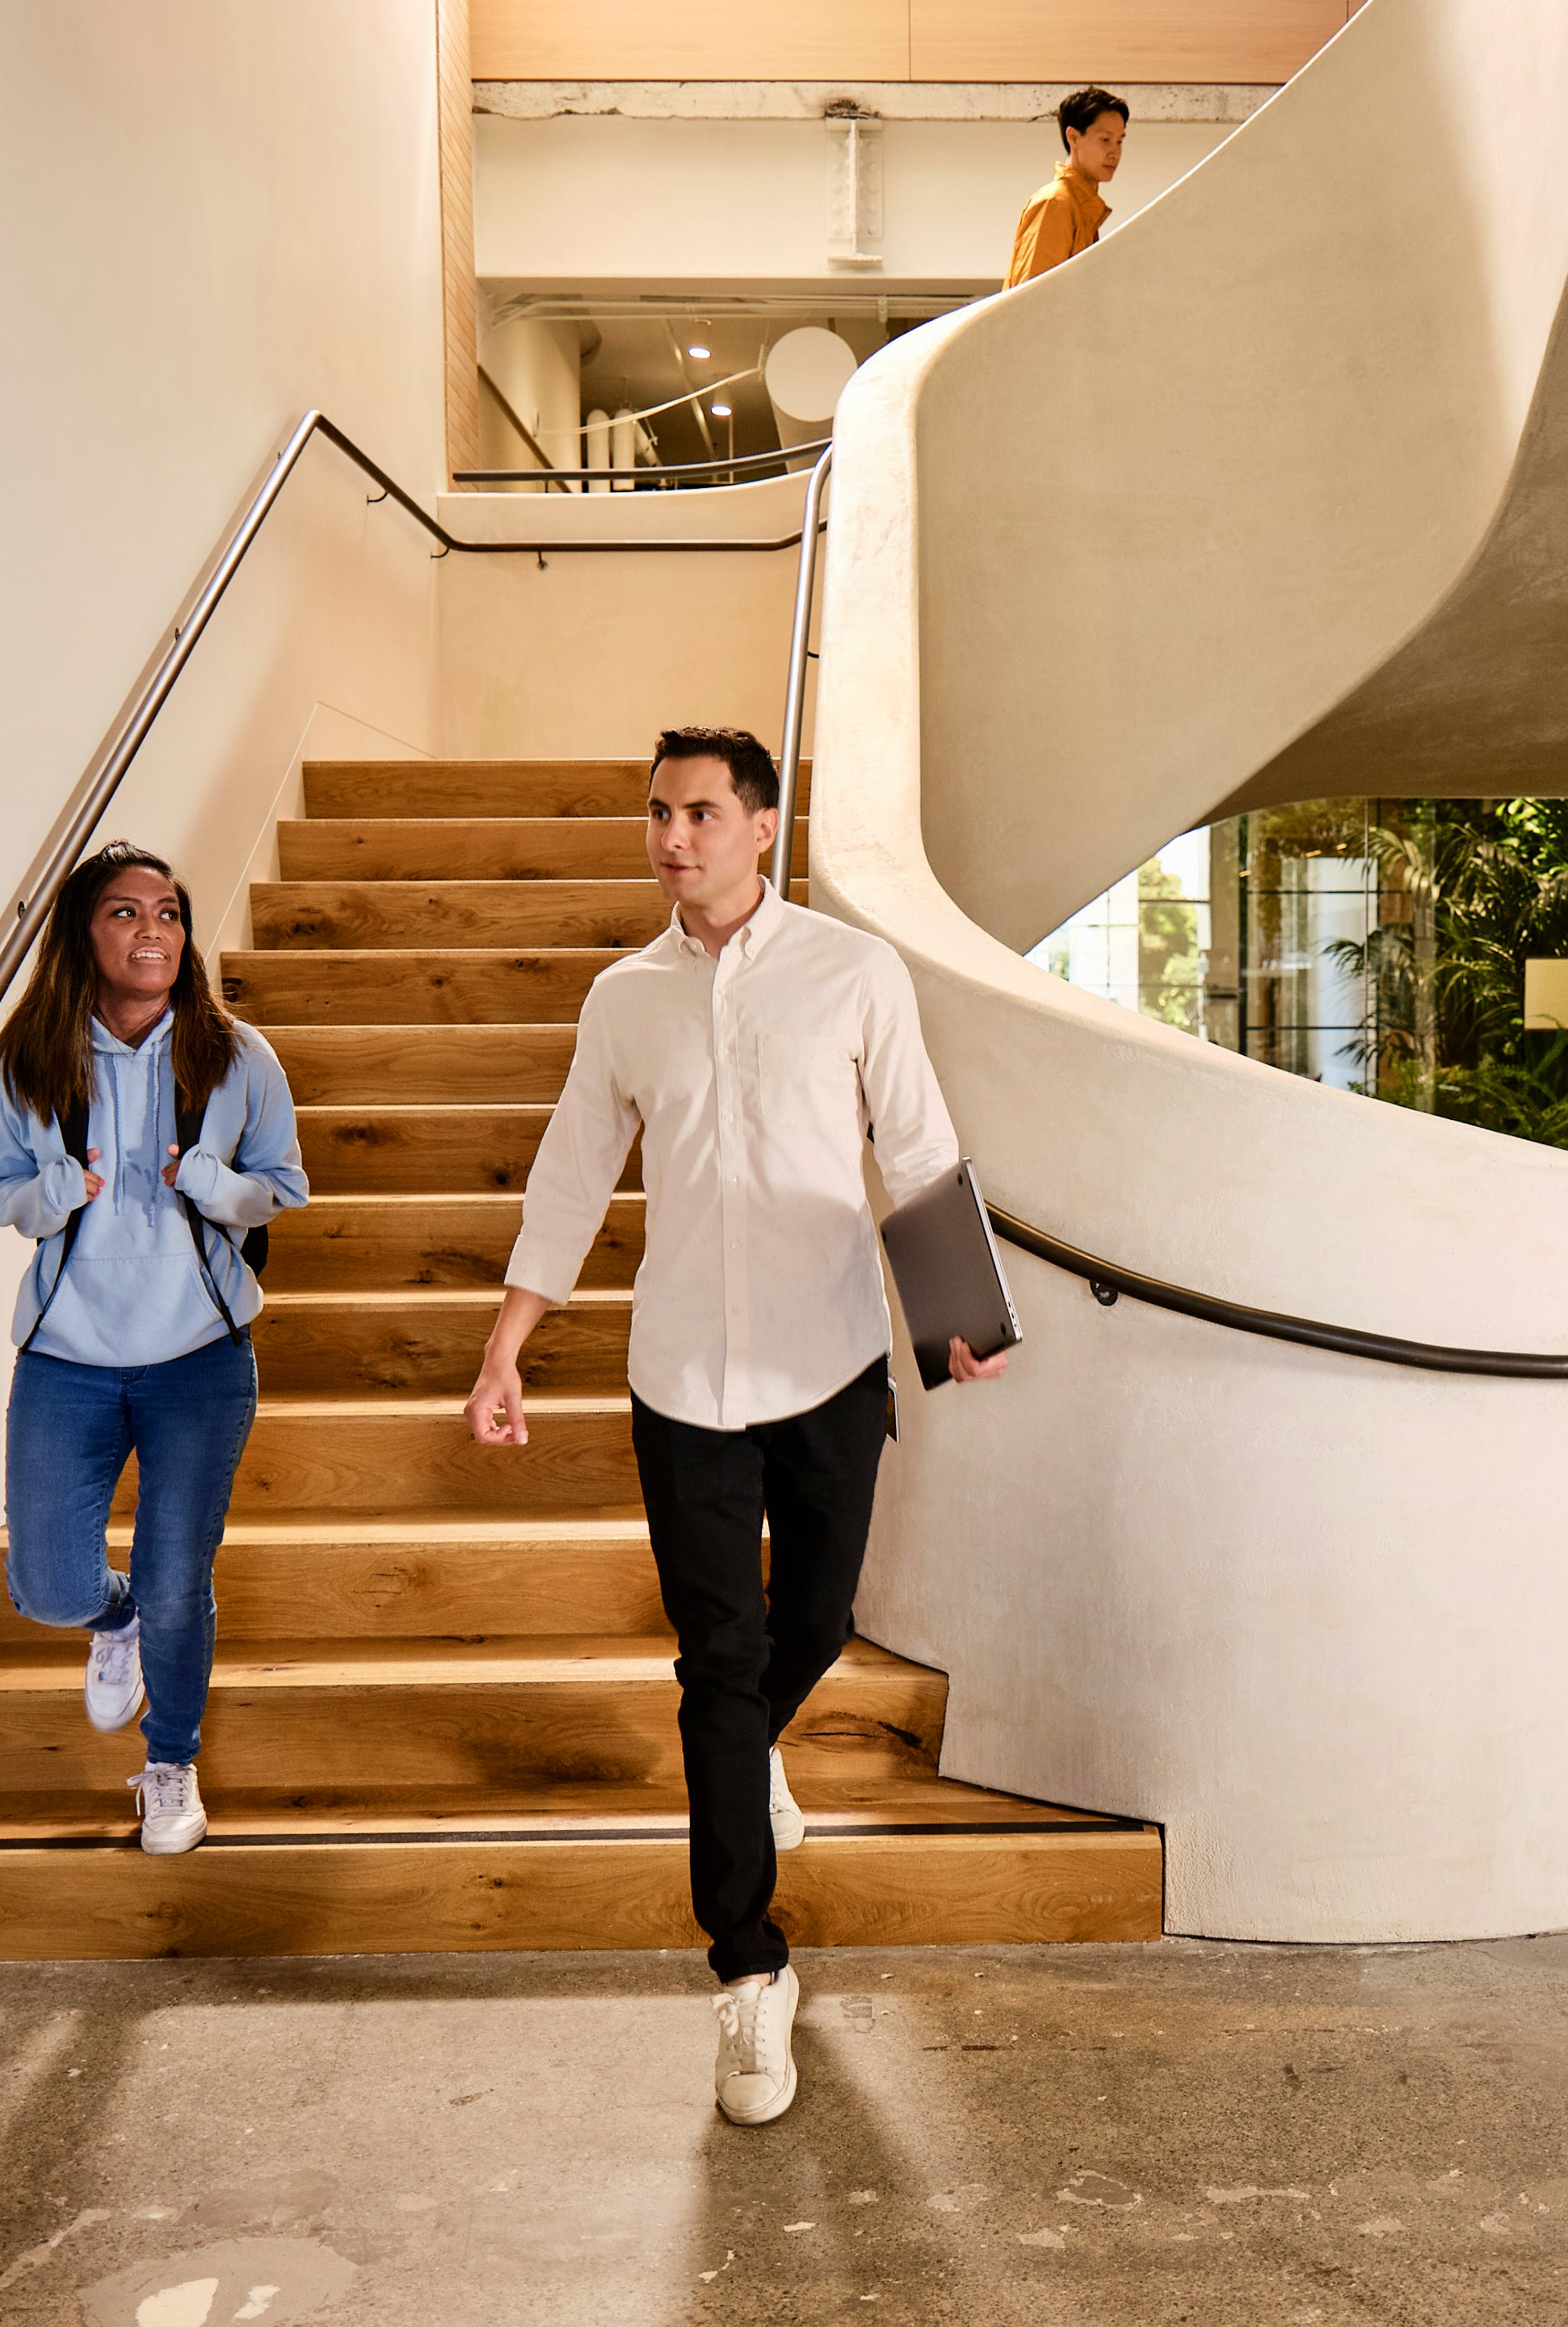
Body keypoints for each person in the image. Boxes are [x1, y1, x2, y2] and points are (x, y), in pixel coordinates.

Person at [463, 726, 1010, 2127]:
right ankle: (748, 1974)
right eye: (658, 813)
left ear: (763, 827)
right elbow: (573, 1174)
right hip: (682, 1381)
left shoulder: (852, 973)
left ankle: (746, 1756)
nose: (673, 838)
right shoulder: (622, 1000)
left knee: (812, 1621)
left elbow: (920, 1142)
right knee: (717, 1661)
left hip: (830, 1361)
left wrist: (958, 1314)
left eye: (702, 813)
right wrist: (509, 1346)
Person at [0, 839, 308, 1858]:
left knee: (177, 1579)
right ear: (84, 934)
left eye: (168, 913)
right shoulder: (32, 1060)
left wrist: (211, 1183)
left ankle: (170, 1765)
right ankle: (112, 1624)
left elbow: (280, 1188)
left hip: (199, 1358)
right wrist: (53, 1194)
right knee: (48, 1587)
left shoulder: (237, 1056)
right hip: (66, 1358)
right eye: (125, 913)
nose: (153, 930)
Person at [1004, 86, 1128, 288]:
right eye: (1105, 140)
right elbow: (1031, 300)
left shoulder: (1081, 207)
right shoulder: (1055, 203)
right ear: (1073, 137)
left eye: (1119, 141)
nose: (1115, 152)